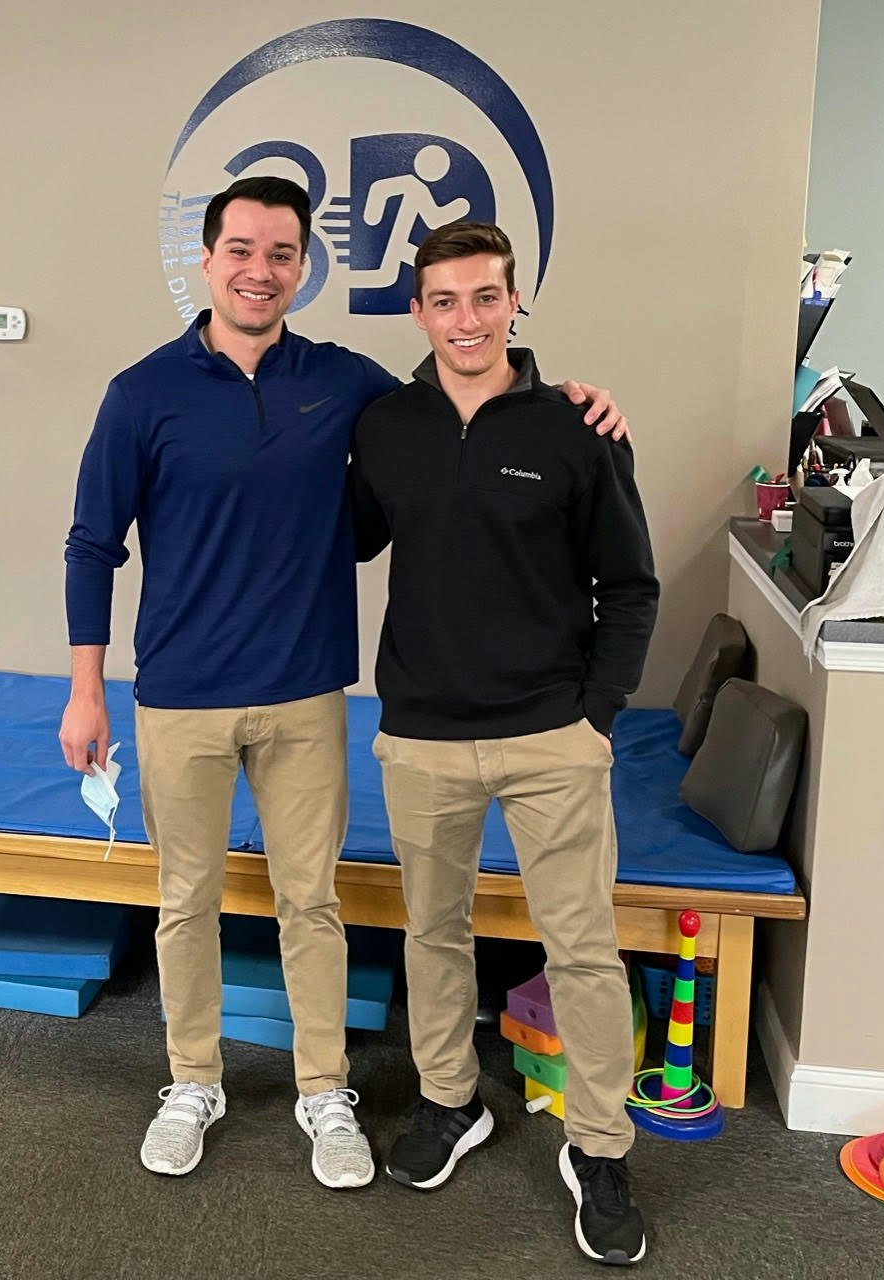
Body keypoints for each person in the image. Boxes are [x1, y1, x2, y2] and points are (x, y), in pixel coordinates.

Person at [58, 176, 630, 1192]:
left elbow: (471, 398)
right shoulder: (141, 392)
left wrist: (577, 398)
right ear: (207, 258)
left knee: (309, 901)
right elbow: (91, 542)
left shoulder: (351, 385)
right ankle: (194, 1078)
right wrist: (85, 688)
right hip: (179, 692)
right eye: (241, 249)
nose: (259, 269)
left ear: (303, 268)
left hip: (306, 692)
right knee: (184, 902)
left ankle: (326, 1088)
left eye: (281, 253)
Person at [348, 221, 658, 1264]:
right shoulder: (386, 424)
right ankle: (450, 1099)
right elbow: (338, 534)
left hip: (549, 733)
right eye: (445, 301)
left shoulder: (579, 427)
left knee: (581, 947)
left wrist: (597, 713)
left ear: (513, 301)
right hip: (422, 730)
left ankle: (600, 1145)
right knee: (431, 934)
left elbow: (632, 584)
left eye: (486, 298)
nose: (466, 320)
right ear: (418, 310)